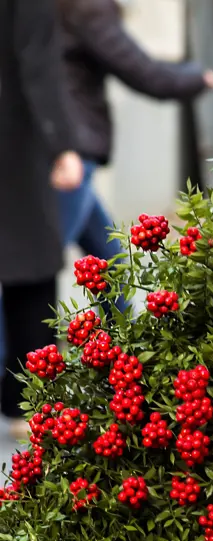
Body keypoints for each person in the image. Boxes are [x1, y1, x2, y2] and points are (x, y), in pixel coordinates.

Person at [56, 0, 213, 280]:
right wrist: (199, 78)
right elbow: (143, 73)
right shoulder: (83, 8)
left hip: (64, 149)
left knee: (112, 267)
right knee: (34, 278)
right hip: (71, 157)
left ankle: (117, 324)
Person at [0, 0, 85, 438]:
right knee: (31, 272)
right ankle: (28, 405)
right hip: (15, 146)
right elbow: (38, 62)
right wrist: (62, 144)